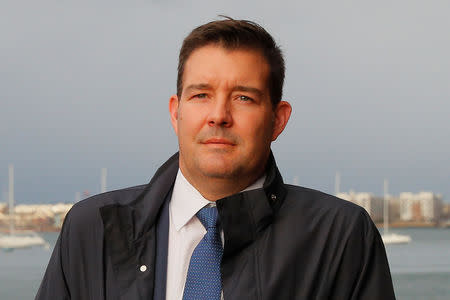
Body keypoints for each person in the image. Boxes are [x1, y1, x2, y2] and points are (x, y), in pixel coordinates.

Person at [36, 17, 396, 300]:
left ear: (278, 119)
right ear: (176, 113)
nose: (219, 115)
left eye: (243, 98)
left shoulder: (340, 236)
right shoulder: (92, 229)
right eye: (201, 95)